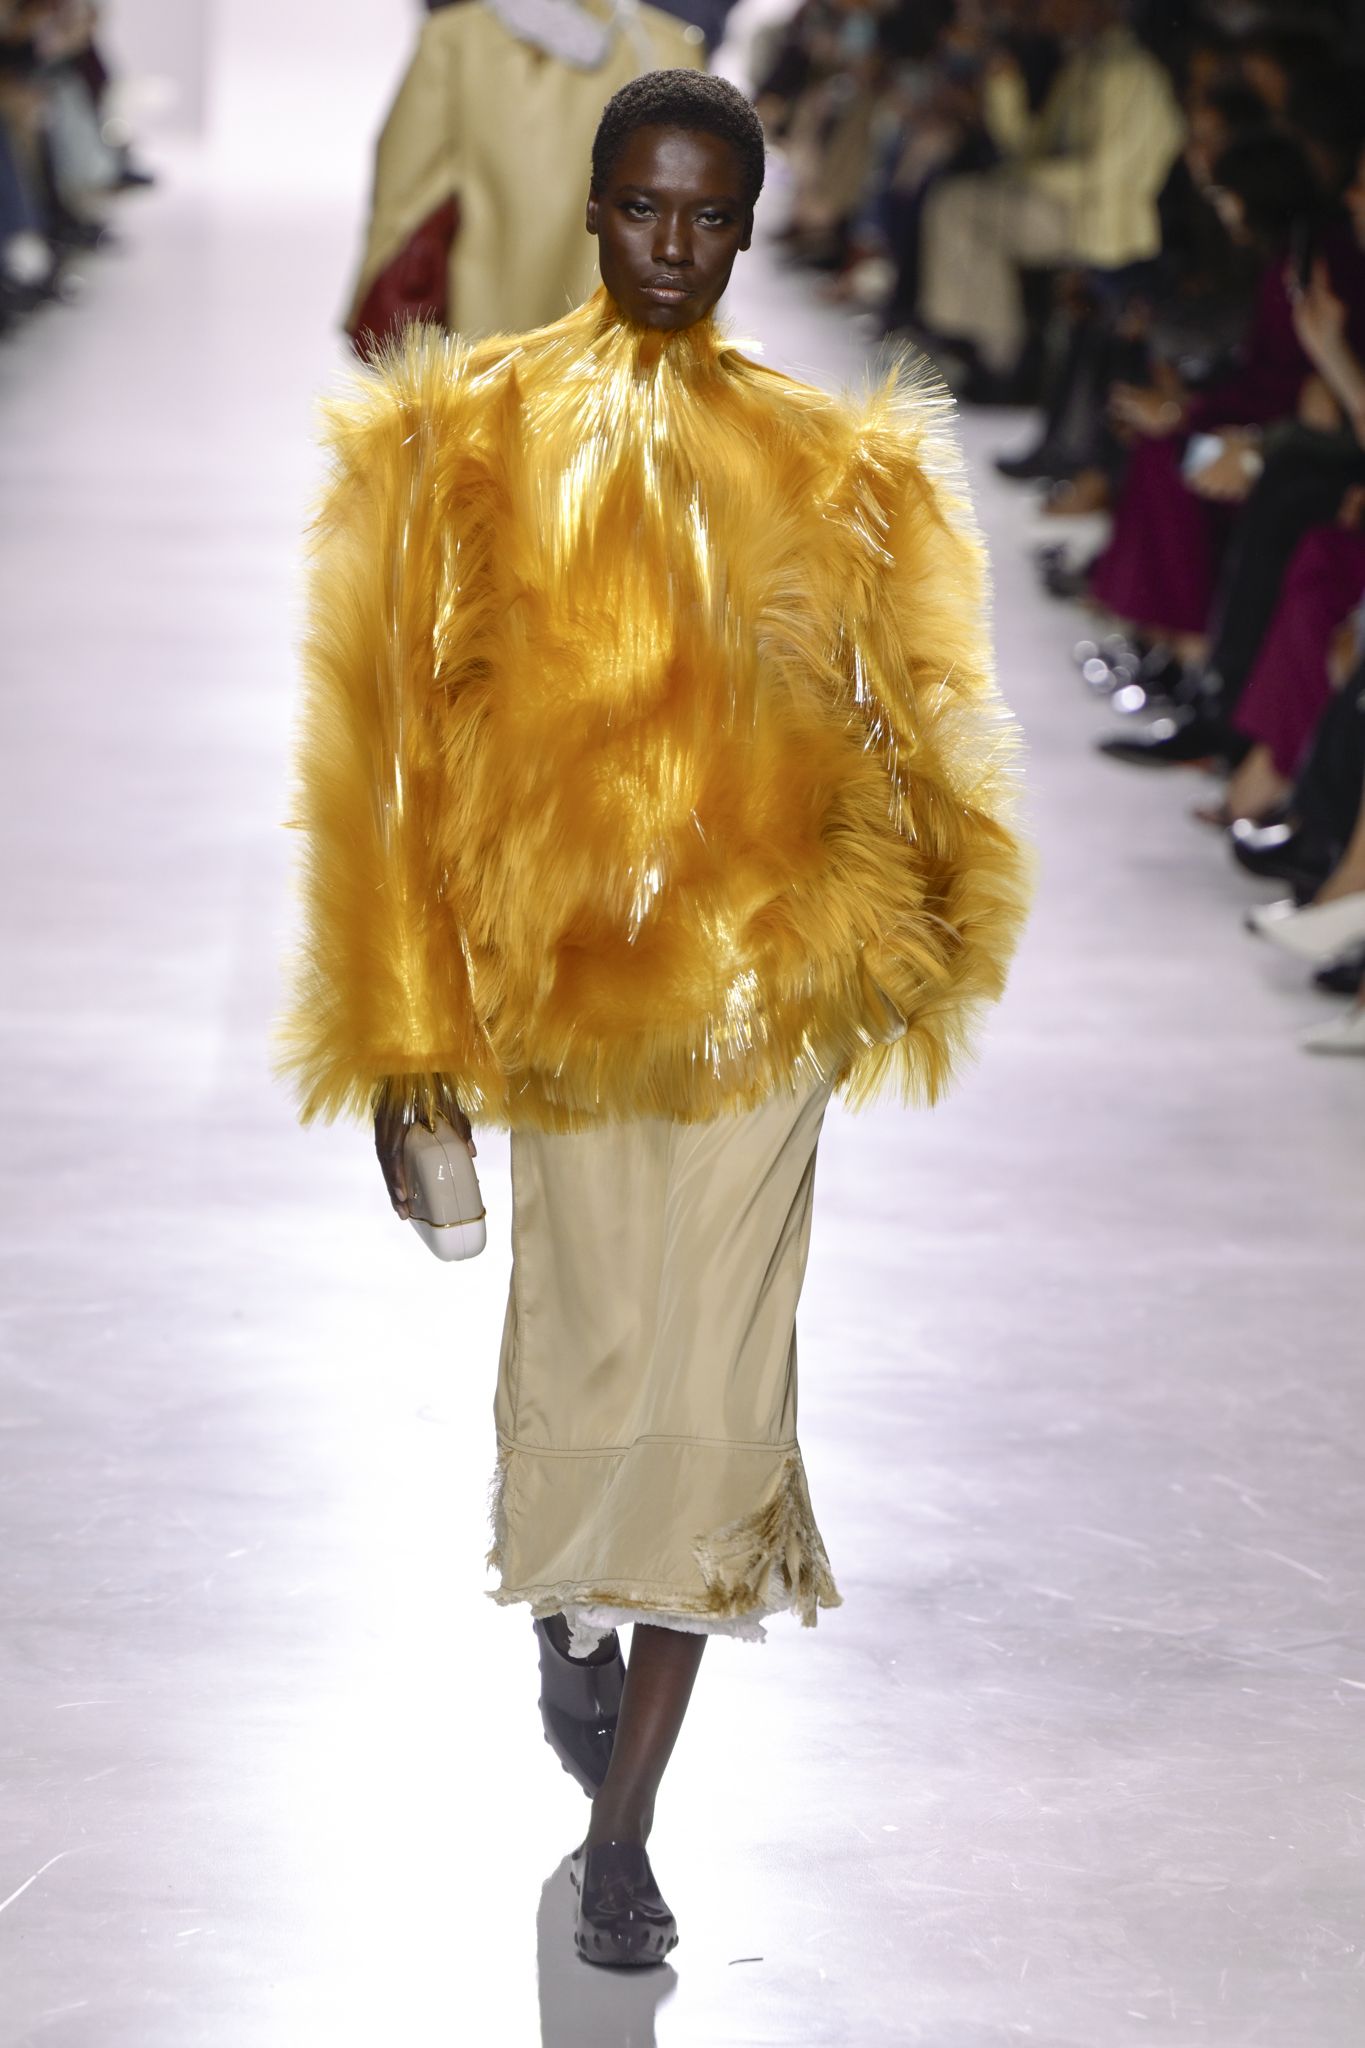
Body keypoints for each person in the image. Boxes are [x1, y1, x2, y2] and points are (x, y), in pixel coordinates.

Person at [283, 69, 1031, 1967]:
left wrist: (907, 928)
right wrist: (403, 1039)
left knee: (716, 1402)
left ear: (750, 228)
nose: (673, 245)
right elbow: (391, 758)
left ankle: (624, 1830)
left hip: (765, 1000)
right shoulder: (463, 432)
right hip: (566, 999)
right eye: (643, 207)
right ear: (597, 208)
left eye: (708, 215)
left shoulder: (829, 457)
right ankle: (568, 1615)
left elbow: (920, 718)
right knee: (588, 1356)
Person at [344, 0, 704, 356]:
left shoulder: (454, 40)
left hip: (480, 326)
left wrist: (378, 282)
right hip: (617, 334)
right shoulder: (665, 47)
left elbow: (404, 185)